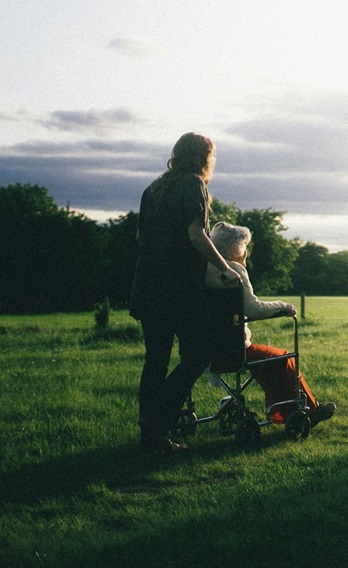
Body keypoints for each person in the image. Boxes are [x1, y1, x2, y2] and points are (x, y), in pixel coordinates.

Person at [130, 133, 240, 453]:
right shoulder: (193, 185)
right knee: (197, 355)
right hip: (176, 288)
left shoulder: (153, 189)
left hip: (147, 285)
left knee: (156, 360)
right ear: (204, 157)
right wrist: (225, 268)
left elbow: (142, 236)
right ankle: (157, 422)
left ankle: (150, 434)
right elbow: (197, 235)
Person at [205, 222, 336, 427]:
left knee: (269, 360)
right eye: (244, 247)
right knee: (283, 357)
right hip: (233, 350)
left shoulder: (205, 269)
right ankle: (309, 410)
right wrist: (283, 306)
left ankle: (282, 413)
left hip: (206, 349)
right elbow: (254, 309)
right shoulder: (234, 270)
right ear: (233, 249)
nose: (247, 253)